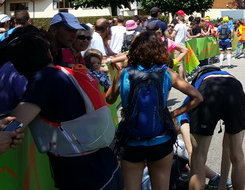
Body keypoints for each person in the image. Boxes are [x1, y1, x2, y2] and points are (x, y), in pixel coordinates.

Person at [5, 26, 123, 189]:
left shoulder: (43, 79)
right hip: (107, 167)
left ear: (17, 66)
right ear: (48, 53)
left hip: (84, 176)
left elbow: (14, 123)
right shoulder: (66, 73)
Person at [106, 30, 203, 190]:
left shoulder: (123, 74)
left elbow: (109, 99)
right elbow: (197, 97)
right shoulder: (167, 74)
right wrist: (173, 114)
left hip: (131, 139)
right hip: (161, 138)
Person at [187, 66, 245, 190]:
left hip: (209, 90)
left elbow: (184, 113)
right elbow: (227, 149)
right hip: (235, 90)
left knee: (199, 157)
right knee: (237, 155)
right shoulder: (228, 75)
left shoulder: (199, 82)